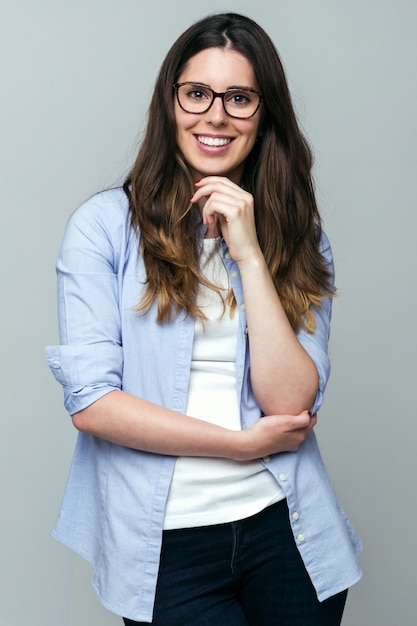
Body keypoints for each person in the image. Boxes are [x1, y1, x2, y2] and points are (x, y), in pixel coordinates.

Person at [46, 12, 362, 626]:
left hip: (289, 535)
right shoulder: (105, 228)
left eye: (239, 98)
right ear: (171, 103)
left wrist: (247, 252)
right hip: (169, 545)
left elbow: (291, 401)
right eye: (197, 93)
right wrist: (238, 446)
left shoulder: (298, 239)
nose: (215, 116)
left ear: (264, 113)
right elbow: (92, 404)